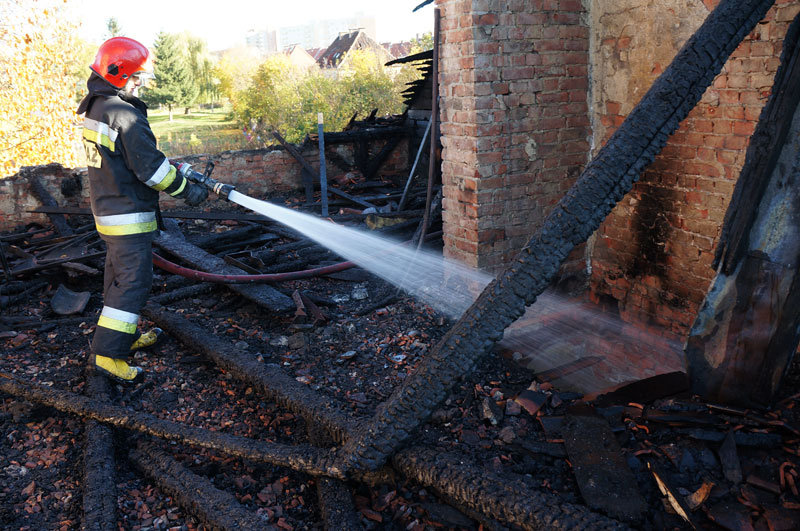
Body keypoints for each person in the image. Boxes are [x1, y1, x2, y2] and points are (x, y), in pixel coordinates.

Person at [77, 36, 208, 383]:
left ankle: (123, 337)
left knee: (117, 281)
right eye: (135, 76)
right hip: (127, 217)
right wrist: (187, 191)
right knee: (133, 284)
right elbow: (150, 170)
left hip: (108, 212)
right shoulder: (122, 113)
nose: (139, 82)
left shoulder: (96, 108)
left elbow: (123, 161)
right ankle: (108, 356)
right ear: (117, 72)